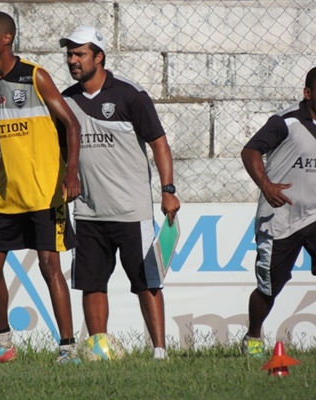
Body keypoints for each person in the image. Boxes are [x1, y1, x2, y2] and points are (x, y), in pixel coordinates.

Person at [58, 26, 181, 360]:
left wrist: (168, 190)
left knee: (147, 282)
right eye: (69, 54)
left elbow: (159, 143)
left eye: (80, 53)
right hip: (88, 212)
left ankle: (159, 351)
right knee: (91, 283)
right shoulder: (65, 100)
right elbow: (59, 153)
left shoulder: (130, 94)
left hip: (131, 210)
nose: (73, 60)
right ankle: (99, 347)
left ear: (99, 57)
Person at [0, 11, 82, 365]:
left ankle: (68, 348)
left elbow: (72, 125)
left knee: (50, 266)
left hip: (46, 190)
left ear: (6, 38)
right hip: (9, 195)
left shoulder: (36, 77)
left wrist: (72, 172)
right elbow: (1, 131)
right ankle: (2, 342)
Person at [240, 66, 316, 358]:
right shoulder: (286, 122)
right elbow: (250, 150)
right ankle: (252, 337)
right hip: (281, 218)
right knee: (269, 287)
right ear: (308, 94)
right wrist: (266, 185)